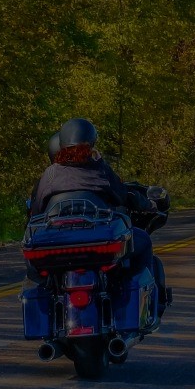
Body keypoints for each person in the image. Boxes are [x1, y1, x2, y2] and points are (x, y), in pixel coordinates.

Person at [29, 118, 167, 309]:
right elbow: (121, 195)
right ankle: (148, 302)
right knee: (142, 241)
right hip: (97, 240)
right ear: (91, 142)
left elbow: (36, 211)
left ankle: (52, 300)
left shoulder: (50, 174)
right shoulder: (99, 169)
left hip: (57, 243)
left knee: (38, 267)